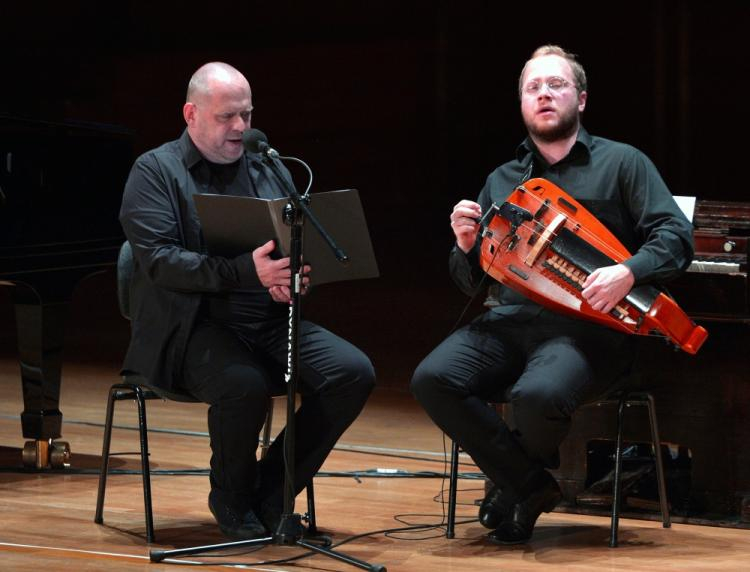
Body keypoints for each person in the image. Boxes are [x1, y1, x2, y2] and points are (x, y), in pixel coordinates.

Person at [410, 45, 694, 545]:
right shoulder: (503, 180)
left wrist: (627, 273)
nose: (544, 94)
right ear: (522, 104)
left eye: (556, 85)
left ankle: (511, 488)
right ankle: (530, 485)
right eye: (533, 88)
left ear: (580, 99)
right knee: (433, 379)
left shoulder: (623, 163)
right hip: (511, 321)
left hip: (591, 331)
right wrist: (466, 247)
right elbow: (471, 283)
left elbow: (675, 237)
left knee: (536, 394)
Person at [119, 62, 375, 540]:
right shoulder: (155, 171)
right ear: (190, 113)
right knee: (245, 385)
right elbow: (160, 262)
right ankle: (231, 500)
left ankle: (270, 491)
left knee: (352, 373)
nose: (241, 127)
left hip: (268, 322)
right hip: (191, 327)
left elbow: (288, 244)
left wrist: (290, 278)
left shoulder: (266, 166)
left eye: (247, 115)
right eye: (226, 117)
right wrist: (246, 272)